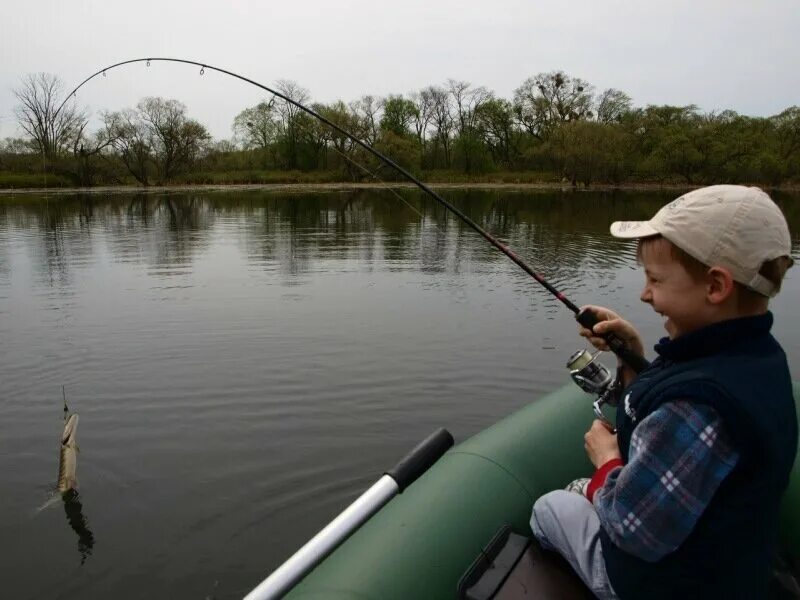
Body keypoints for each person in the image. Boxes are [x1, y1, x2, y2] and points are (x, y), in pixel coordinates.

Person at [530, 185, 797, 599]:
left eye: (654, 279)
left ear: (716, 286)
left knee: (549, 508)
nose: (644, 293)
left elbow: (631, 528)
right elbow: (680, 400)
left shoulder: (699, 407)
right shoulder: (756, 356)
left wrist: (607, 462)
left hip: (665, 585)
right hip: (731, 566)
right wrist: (632, 353)